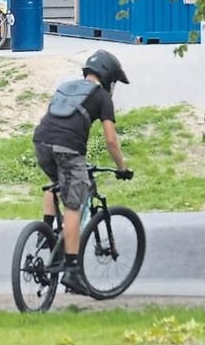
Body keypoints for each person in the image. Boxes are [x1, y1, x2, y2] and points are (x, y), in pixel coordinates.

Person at [32, 50, 133, 294]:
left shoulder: (67, 86)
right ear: (108, 77)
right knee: (74, 205)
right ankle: (73, 269)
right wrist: (122, 168)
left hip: (41, 141)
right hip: (69, 148)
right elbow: (111, 140)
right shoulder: (102, 97)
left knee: (55, 183)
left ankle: (46, 233)